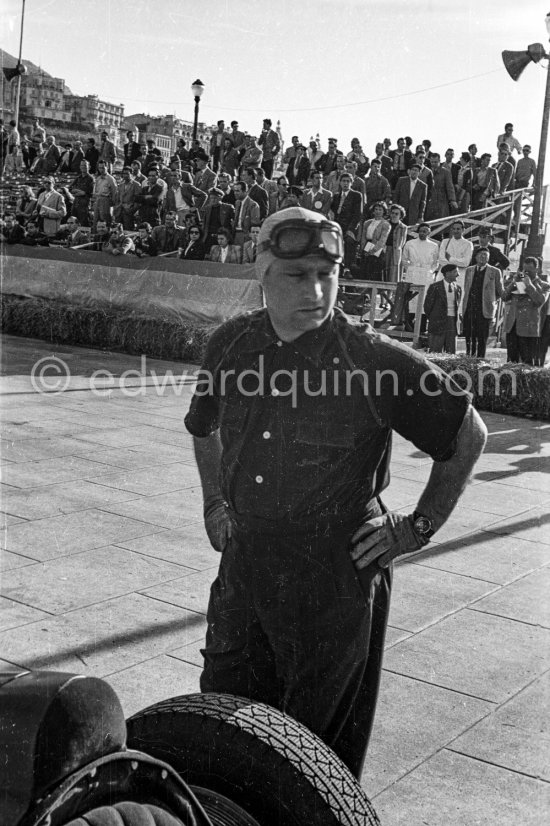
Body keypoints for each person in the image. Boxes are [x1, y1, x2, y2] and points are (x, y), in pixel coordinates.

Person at [184, 206, 487, 780]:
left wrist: (416, 527)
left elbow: (468, 433)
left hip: (333, 578)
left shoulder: (372, 359)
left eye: (329, 274)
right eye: (298, 275)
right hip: (247, 568)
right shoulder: (229, 345)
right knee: (220, 729)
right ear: (262, 269)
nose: (317, 290)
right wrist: (214, 502)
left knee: (315, 762)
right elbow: (205, 426)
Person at [462, 248, 505, 358]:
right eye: (480, 255)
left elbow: (500, 291)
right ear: (475, 257)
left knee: (482, 336)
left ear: (489, 257)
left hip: (484, 308)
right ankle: (469, 356)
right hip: (470, 307)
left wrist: (491, 299)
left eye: (485, 255)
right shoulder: (469, 270)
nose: (483, 257)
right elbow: (467, 288)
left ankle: (480, 358)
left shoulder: (495, 271)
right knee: (469, 335)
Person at [503, 257, 546, 364]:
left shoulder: (544, 285)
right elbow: (504, 297)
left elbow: (539, 301)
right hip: (512, 325)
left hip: (528, 328)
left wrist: (529, 284)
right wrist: (514, 282)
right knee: (511, 361)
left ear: (537, 269)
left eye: (529, 270)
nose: (526, 273)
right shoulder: (517, 282)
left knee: (527, 362)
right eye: (524, 270)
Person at [424, 264, 461, 354]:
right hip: (438, 322)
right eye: (455, 272)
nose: (458, 274)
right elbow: (427, 306)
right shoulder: (435, 287)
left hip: (452, 323)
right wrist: (434, 319)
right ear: (447, 274)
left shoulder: (458, 288)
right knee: (435, 351)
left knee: (451, 352)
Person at [330, 172, 362, 274]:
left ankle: (347, 268)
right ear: (340, 183)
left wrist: (350, 229)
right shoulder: (336, 196)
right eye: (343, 181)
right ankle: (335, 267)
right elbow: (333, 212)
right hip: (338, 226)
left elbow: (358, 214)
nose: (345, 183)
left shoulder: (356, 195)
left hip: (350, 226)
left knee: (349, 241)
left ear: (351, 183)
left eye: (348, 181)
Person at [358, 201, 390, 280]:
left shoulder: (386, 224)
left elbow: (383, 239)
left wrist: (374, 250)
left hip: (378, 248)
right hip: (367, 246)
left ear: (384, 211)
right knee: (365, 270)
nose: (378, 212)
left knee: (375, 271)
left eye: (380, 210)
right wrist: (363, 249)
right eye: (376, 209)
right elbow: (363, 237)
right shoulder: (367, 222)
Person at [93, 160, 117, 230]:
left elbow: (114, 192)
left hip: (106, 200)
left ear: (107, 168)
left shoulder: (111, 179)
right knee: (96, 220)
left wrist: (111, 203)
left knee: (105, 220)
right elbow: (96, 190)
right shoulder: (98, 178)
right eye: (100, 168)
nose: (101, 170)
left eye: (103, 168)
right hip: (98, 200)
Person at [69, 160, 94, 227]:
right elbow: (70, 189)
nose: (83, 167)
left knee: (84, 225)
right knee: (74, 224)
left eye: (85, 165)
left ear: (89, 167)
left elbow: (89, 193)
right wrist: (79, 191)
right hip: (75, 204)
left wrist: (79, 192)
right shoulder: (78, 178)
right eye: (82, 165)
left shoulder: (91, 179)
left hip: (84, 206)